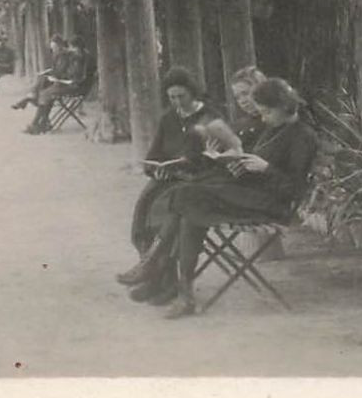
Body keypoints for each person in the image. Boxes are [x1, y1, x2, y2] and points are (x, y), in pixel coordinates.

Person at [123, 77, 318, 317]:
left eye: (267, 112)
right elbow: (252, 163)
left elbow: (294, 188)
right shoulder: (273, 128)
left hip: (271, 203)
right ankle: (181, 292)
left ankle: (155, 266)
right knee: (188, 210)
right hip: (249, 193)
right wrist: (235, 164)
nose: (263, 117)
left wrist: (266, 169)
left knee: (185, 196)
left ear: (283, 107)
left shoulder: (304, 137)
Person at [121, 69, 234, 256]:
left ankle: (161, 270)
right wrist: (157, 170)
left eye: (182, 96)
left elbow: (220, 156)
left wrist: (195, 161)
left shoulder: (211, 117)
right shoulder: (168, 118)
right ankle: (149, 263)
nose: (178, 102)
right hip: (169, 178)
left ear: (192, 92)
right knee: (145, 205)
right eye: (172, 97)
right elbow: (153, 155)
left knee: (167, 212)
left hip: (199, 179)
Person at [23, 36, 92, 133]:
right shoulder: (80, 56)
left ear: (77, 47)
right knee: (48, 90)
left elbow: (76, 77)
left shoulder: (79, 58)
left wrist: (61, 79)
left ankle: (37, 123)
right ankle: (42, 123)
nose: (70, 50)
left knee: (46, 93)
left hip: (76, 87)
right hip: (73, 84)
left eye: (71, 48)